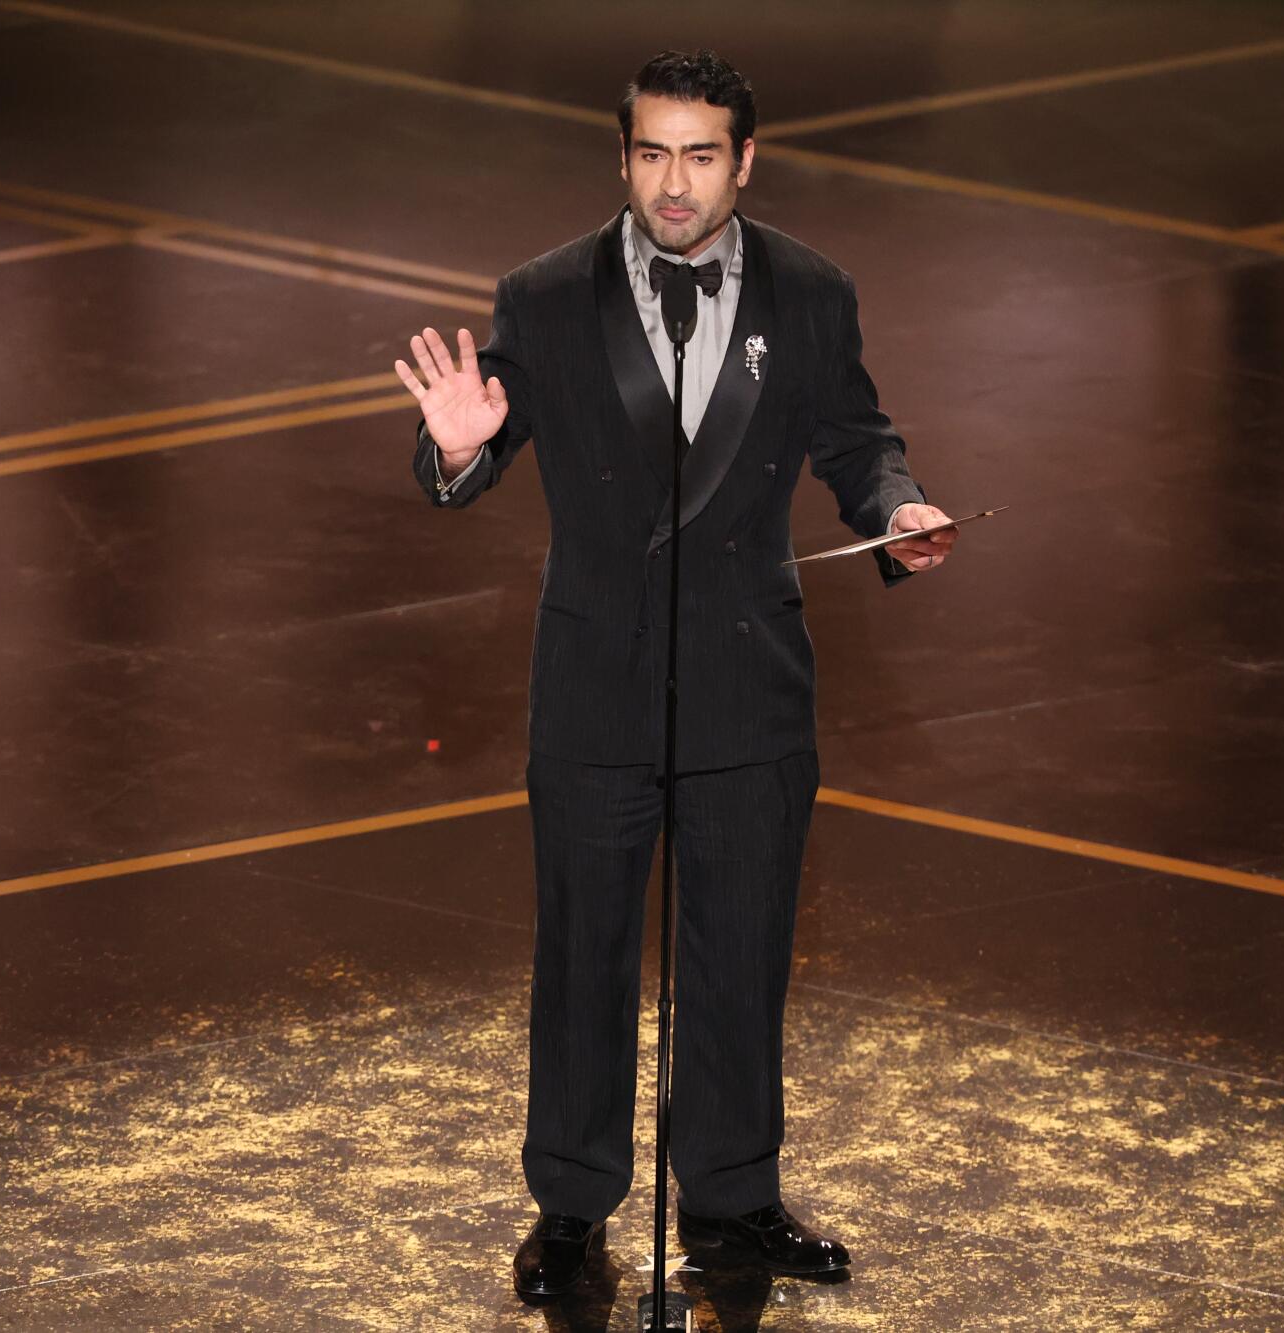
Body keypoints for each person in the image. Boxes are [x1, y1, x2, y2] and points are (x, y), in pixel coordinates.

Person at [393, 48, 959, 1302]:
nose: (674, 183)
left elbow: (856, 436)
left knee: (740, 952)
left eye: (701, 156)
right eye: (651, 153)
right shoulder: (543, 296)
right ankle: (569, 1213)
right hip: (594, 681)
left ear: (744, 163)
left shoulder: (811, 295)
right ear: (624, 158)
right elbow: (479, 445)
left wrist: (899, 506)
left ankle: (734, 1199)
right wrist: (456, 455)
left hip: (748, 682)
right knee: (582, 955)